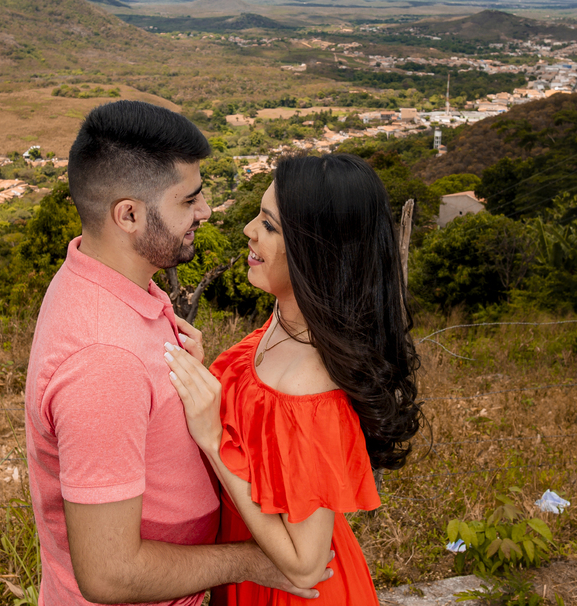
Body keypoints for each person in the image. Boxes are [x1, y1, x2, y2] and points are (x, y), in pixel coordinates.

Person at [24, 100, 330, 606]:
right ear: (129, 215)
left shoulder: (109, 277)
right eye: (189, 201)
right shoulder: (104, 361)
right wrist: (251, 560)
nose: (206, 212)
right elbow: (110, 575)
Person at [165, 153, 423, 605]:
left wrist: (211, 437)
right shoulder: (288, 322)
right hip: (252, 573)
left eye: (268, 224)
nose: (248, 229)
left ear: (314, 251)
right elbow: (263, 438)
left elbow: (305, 562)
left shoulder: (312, 388)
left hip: (287, 593)